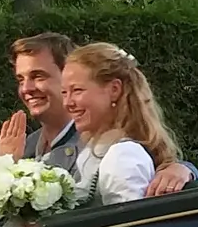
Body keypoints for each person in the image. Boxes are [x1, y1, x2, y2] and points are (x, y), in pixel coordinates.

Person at [0, 33, 195, 193]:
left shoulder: (105, 144)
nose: (26, 89)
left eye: (38, 76)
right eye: (20, 79)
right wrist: (4, 167)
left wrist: (184, 170)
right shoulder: (25, 145)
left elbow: (146, 164)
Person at [61, 43, 180, 206]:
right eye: (64, 92)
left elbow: (127, 220)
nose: (67, 103)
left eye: (77, 90)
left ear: (114, 90)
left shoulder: (123, 155)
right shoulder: (94, 147)